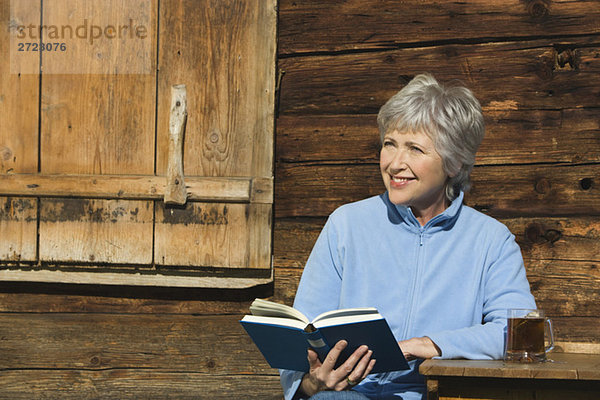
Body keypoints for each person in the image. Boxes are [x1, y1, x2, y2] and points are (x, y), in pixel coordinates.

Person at [279, 73, 536, 400]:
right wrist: (313, 383)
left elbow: (522, 334)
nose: (395, 163)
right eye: (390, 144)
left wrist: (429, 344)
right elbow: (304, 332)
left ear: (455, 162)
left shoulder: (491, 240)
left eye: (415, 148)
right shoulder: (347, 224)